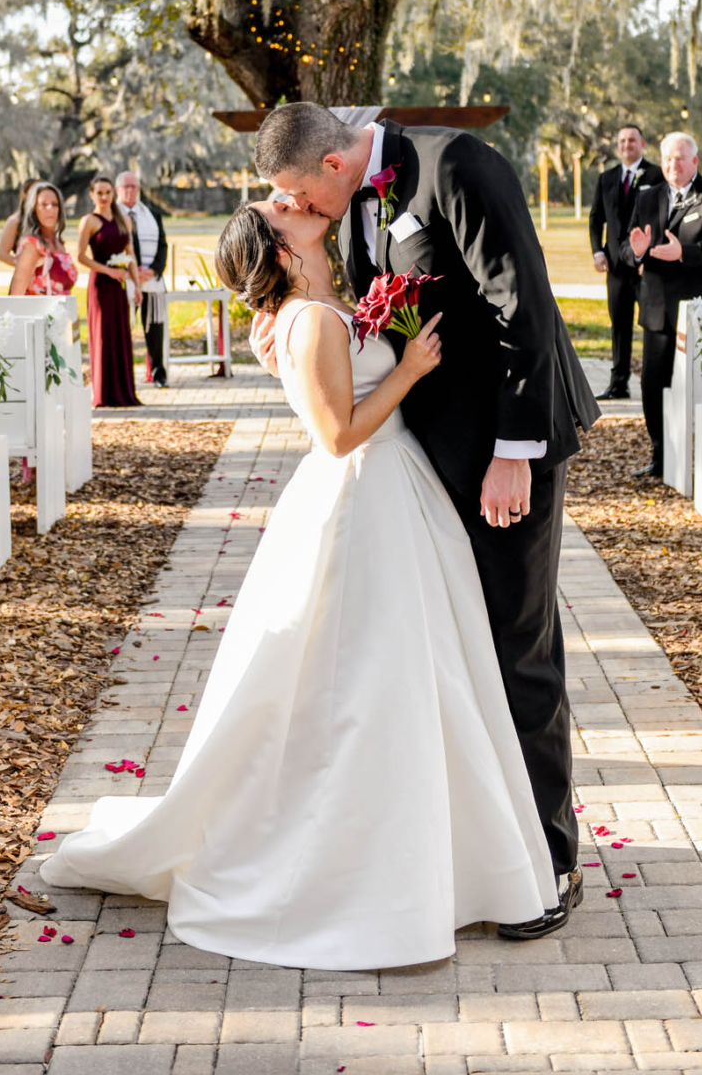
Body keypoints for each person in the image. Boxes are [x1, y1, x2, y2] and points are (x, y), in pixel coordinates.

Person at [41, 195, 559, 968]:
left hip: (397, 495)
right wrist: (411, 369)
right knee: (369, 685)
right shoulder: (311, 319)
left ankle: (435, 855)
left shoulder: (325, 304)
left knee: (416, 677)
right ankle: (360, 868)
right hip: (361, 499)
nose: (296, 205)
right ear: (281, 249)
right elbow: (337, 435)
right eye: (280, 210)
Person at [247, 102, 600, 938]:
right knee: (462, 649)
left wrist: (514, 449)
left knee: (518, 648)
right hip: (430, 460)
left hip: (506, 453)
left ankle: (549, 857)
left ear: (334, 167)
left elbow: (525, 307)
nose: (299, 210)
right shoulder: (359, 201)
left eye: (299, 194)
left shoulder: (458, 166)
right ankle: (480, 843)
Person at [622, 132, 702, 480]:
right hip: (658, 309)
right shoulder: (647, 198)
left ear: (695, 162)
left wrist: (682, 253)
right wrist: (639, 251)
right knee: (654, 385)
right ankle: (661, 455)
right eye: (668, 159)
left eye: (680, 158)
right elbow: (626, 250)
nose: (673, 165)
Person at [588, 124, 662, 400]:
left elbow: (661, 218)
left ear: (642, 143)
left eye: (632, 140)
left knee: (652, 324)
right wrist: (598, 251)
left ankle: (653, 381)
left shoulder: (657, 175)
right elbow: (596, 218)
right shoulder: (606, 178)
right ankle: (619, 383)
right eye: (622, 140)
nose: (627, 145)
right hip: (616, 268)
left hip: (646, 266)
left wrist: (650, 255)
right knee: (619, 326)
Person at [78, 175, 140, 407]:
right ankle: (103, 394)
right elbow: (81, 256)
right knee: (103, 336)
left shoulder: (124, 220)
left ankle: (123, 392)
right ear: (92, 195)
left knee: (120, 335)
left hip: (119, 287)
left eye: (107, 192)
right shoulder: (89, 221)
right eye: (99, 193)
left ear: (113, 193)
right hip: (101, 286)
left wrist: (136, 285)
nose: (104, 197)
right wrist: (108, 271)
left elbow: (130, 253)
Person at [117, 170, 168, 388]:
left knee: (154, 329)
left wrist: (153, 270)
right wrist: (130, 272)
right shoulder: (112, 216)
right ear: (118, 190)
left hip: (150, 281)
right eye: (125, 187)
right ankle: (123, 376)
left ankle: (158, 374)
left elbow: (163, 246)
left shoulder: (152, 215)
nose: (130, 191)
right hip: (124, 281)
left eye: (134, 187)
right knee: (122, 330)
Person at [9, 183, 78, 297]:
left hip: (64, 312)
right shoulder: (32, 245)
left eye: (55, 204)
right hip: (37, 313)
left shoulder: (58, 242)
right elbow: (16, 296)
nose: (50, 208)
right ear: (34, 209)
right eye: (44, 204)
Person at [0, 177, 42, 270]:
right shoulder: (15, 221)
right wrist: (27, 266)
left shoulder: (47, 220)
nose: (37, 195)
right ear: (24, 194)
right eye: (34, 191)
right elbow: (2, 255)